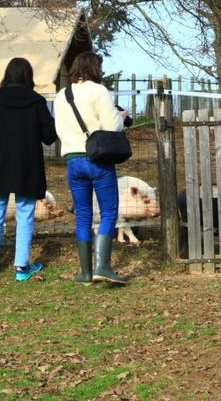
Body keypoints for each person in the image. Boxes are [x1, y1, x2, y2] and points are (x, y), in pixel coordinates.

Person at [0, 58, 57, 282]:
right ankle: (21, 267)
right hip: (26, 166)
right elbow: (49, 136)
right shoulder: (37, 102)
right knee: (25, 215)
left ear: (7, 75)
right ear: (29, 76)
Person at [53, 51, 129, 286]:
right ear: (95, 68)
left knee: (83, 216)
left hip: (72, 161)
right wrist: (121, 116)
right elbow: (111, 125)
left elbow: (59, 127)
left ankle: (85, 272)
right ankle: (102, 267)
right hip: (97, 159)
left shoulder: (61, 95)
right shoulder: (99, 91)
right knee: (108, 212)